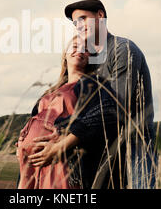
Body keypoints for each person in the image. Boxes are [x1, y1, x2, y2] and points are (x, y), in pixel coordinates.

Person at [64, 0, 157, 189]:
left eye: (83, 19)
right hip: (100, 145)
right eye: (75, 23)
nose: (79, 26)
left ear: (100, 16)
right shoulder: (87, 59)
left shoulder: (122, 49)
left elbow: (118, 104)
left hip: (135, 143)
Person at [16, 35, 119, 189]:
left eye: (86, 50)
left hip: (62, 163)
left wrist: (63, 139)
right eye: (75, 46)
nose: (80, 51)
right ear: (65, 55)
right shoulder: (50, 91)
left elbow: (107, 112)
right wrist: (22, 143)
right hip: (35, 166)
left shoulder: (93, 84)